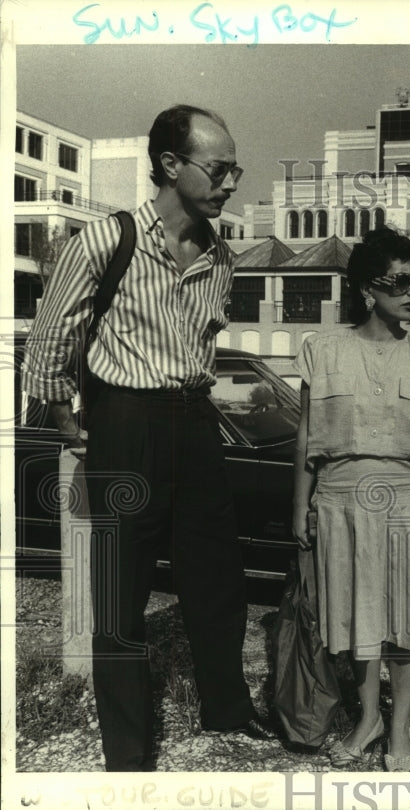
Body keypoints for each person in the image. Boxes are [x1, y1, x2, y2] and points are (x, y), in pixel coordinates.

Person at [21, 105, 274, 771]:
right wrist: (73, 429)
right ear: (170, 165)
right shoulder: (107, 241)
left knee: (219, 580)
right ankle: (128, 754)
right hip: (124, 426)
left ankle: (228, 707)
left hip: (194, 423)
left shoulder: (221, 254)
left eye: (232, 170)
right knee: (120, 595)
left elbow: (205, 343)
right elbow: (47, 348)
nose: (229, 183)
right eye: (218, 169)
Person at [290, 227, 410, 772]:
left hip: (409, 500)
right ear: (366, 289)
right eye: (400, 281)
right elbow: (306, 437)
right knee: (359, 620)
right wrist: (300, 507)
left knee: (406, 620)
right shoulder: (322, 350)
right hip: (338, 501)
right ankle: (369, 718)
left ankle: (400, 727)